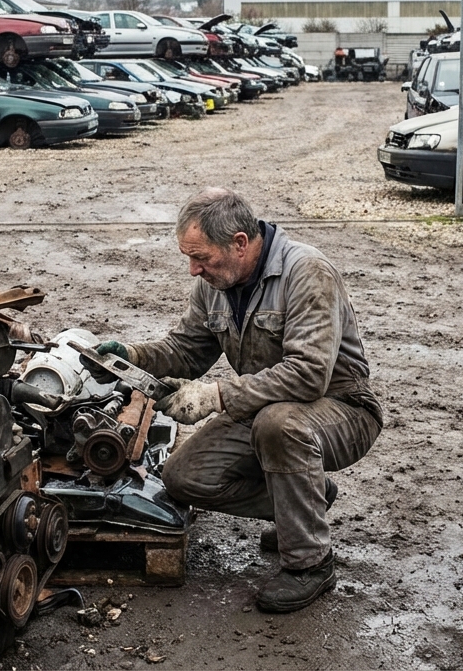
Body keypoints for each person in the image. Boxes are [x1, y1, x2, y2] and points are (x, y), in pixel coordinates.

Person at [95, 188, 383, 612]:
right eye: (188, 257)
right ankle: (305, 498)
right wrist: (132, 356)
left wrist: (215, 395)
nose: (193, 269)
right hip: (264, 404)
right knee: (184, 478)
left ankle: (310, 563)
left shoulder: (307, 273)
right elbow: (187, 350)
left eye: (201, 257)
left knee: (279, 425)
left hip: (342, 409)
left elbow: (308, 376)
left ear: (240, 244)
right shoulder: (217, 282)